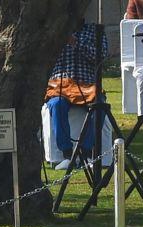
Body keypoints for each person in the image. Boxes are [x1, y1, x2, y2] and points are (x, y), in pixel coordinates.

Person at [44, 20, 107, 170]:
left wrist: (75, 43)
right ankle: (67, 154)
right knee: (57, 104)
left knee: (100, 106)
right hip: (60, 85)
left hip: (87, 85)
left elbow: (101, 56)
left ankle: (85, 151)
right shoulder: (54, 29)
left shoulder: (94, 31)